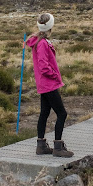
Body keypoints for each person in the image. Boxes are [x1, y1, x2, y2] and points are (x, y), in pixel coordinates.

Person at [26, 13, 74, 157]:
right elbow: (43, 66)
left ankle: (41, 146)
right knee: (62, 113)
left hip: (44, 84)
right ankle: (58, 148)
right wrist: (54, 75)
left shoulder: (40, 41)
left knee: (44, 113)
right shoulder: (42, 43)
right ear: (51, 26)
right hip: (49, 84)